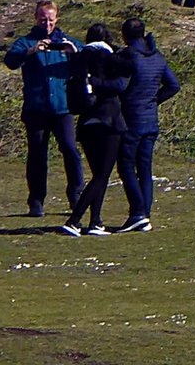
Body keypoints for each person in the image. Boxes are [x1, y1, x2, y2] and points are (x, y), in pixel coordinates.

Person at [3, 0, 84, 217]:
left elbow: (89, 58)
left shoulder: (65, 40)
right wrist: (31, 51)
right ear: (35, 18)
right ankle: (36, 200)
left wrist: (74, 52)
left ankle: (76, 195)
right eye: (42, 19)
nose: (46, 24)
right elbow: (10, 60)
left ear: (56, 19)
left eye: (50, 19)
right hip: (36, 109)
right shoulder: (26, 41)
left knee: (70, 150)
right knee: (37, 155)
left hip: (62, 108)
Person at [61, 23, 132, 237]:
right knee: (102, 175)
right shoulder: (108, 57)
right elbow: (124, 79)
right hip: (109, 121)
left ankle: (96, 221)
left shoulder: (80, 59)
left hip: (86, 122)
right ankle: (75, 220)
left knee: (97, 174)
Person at [116, 18, 180, 233]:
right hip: (150, 119)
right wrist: (154, 99)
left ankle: (137, 212)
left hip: (130, 119)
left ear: (124, 35)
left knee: (126, 166)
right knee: (144, 168)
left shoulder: (127, 57)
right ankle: (145, 215)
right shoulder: (157, 57)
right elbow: (173, 85)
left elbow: (119, 86)